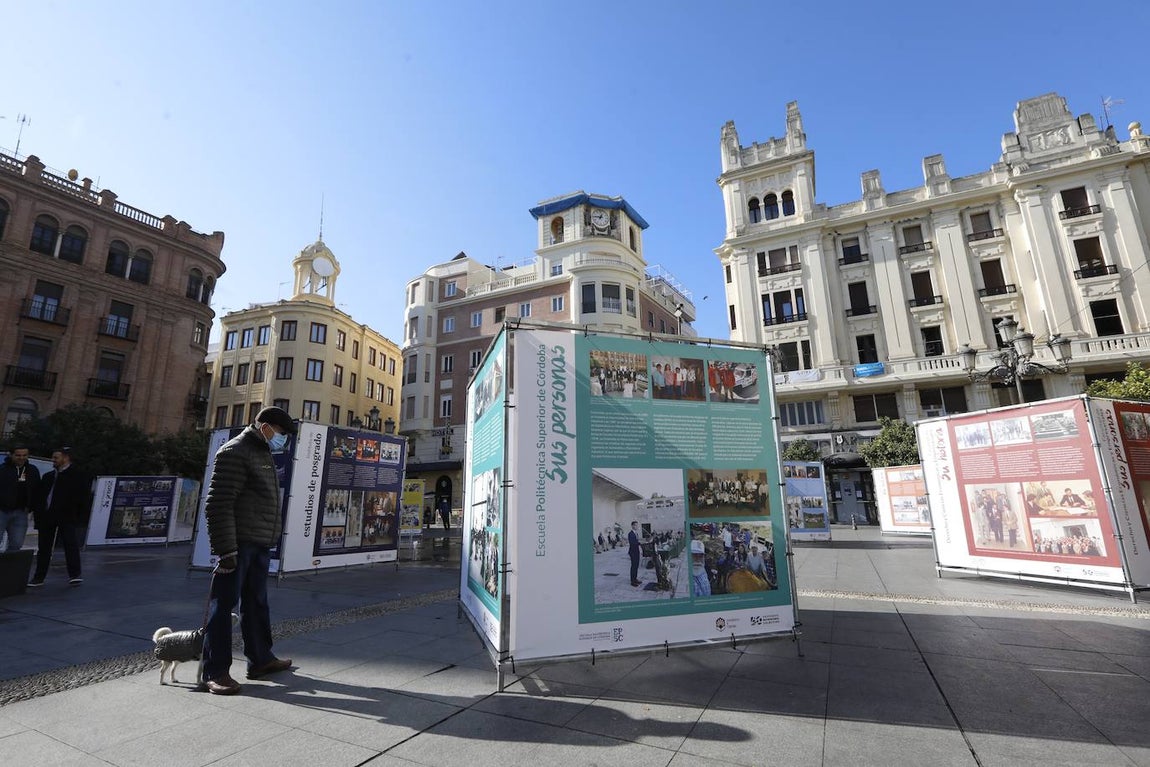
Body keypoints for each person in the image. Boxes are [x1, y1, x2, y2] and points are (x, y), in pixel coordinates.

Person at [202, 407, 297, 696]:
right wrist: (226, 550)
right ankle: (215, 671)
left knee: (257, 603)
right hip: (238, 544)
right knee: (223, 607)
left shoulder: (262, 452)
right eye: (281, 434)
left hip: (257, 543)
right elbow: (218, 504)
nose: (282, 440)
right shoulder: (235, 451)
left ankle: (261, 659)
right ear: (266, 427)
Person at [28, 447, 88, 586]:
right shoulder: (49, 476)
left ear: (66, 458)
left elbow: (82, 498)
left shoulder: (77, 475)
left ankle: (74, 574)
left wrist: (77, 516)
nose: (53, 460)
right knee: (44, 547)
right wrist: (38, 512)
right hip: (47, 516)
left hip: (66, 516)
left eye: (56, 457)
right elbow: (40, 496)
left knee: (70, 544)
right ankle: (39, 577)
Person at [0, 446, 40, 552]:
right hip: (2, 511)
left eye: (24, 455)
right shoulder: (3, 469)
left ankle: (7, 567)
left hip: (21, 512)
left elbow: (37, 490)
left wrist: (31, 507)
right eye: (18, 455)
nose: (21, 458)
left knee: (17, 544)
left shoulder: (32, 470)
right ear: (11, 455)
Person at [628, 520, 642, 587]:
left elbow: (637, 541)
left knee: (636, 566)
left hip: (637, 552)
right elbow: (632, 543)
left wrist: (640, 542)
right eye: (635, 525)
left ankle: (635, 579)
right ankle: (632, 581)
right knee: (633, 566)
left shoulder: (636, 533)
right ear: (632, 526)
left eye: (637, 525)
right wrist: (640, 543)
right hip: (633, 552)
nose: (637, 526)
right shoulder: (630, 534)